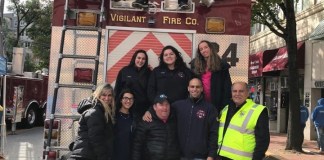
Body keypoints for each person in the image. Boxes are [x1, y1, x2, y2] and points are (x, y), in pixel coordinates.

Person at [143, 78, 218, 160]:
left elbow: (213, 133)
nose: (195, 89)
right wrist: (149, 111)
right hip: (180, 156)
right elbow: (163, 109)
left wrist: (211, 155)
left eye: (197, 87)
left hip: (200, 156)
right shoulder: (178, 106)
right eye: (192, 86)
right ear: (188, 88)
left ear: (202, 89)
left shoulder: (210, 108)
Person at [217, 82, 270, 160]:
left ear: (248, 93)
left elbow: (263, 141)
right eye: (234, 91)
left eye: (241, 91)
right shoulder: (225, 109)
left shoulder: (258, 111)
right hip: (222, 157)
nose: (237, 94)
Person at [70, 83, 115, 160]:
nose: (107, 98)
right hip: (86, 156)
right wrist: (103, 157)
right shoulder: (95, 112)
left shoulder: (102, 111)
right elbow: (96, 139)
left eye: (109, 95)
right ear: (98, 95)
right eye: (104, 95)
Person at [132, 94, 180, 160]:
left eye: (167, 104)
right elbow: (137, 146)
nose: (165, 108)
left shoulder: (175, 119)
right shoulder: (146, 121)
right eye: (161, 104)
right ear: (154, 107)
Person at [191, 40, 232, 113]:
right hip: (201, 103)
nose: (204, 50)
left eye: (205, 47)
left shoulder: (221, 65)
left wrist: (225, 105)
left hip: (217, 103)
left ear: (211, 48)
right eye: (201, 49)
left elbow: (227, 87)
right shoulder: (195, 65)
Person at [114, 49, 151, 122]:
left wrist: (149, 110)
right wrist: (115, 106)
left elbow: (150, 92)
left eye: (143, 59)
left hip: (141, 110)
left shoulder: (149, 73)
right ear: (134, 58)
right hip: (126, 107)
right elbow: (117, 89)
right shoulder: (125, 71)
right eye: (139, 58)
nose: (140, 61)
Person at [113, 89, 135, 160]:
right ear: (121, 100)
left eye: (131, 99)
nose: (128, 101)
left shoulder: (134, 117)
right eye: (126, 98)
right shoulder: (114, 115)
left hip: (128, 155)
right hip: (114, 154)